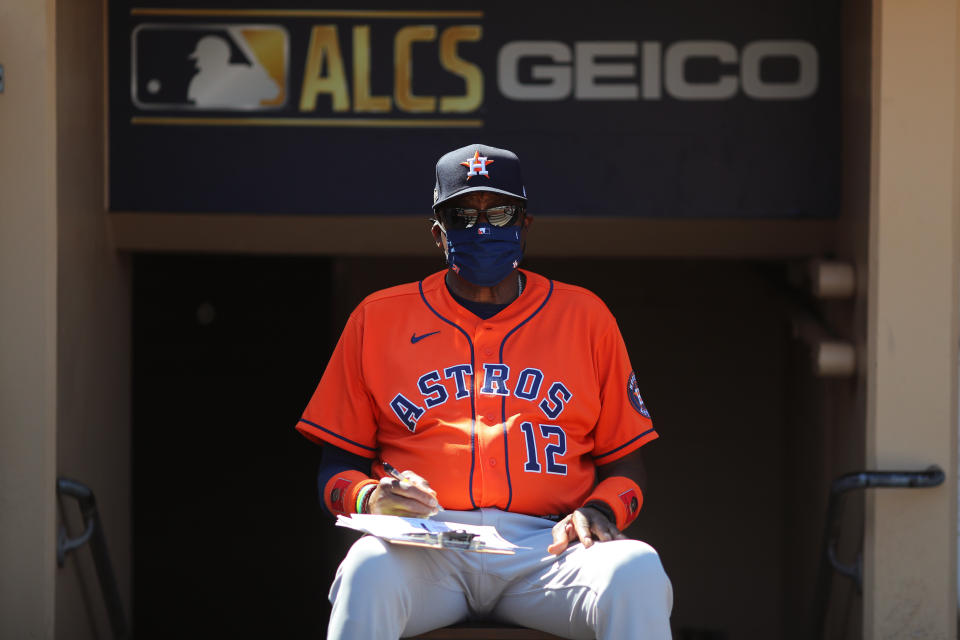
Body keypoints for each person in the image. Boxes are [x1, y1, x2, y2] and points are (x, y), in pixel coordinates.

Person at [295, 143, 673, 640]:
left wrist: (600, 511)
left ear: (525, 225)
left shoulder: (585, 317)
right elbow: (334, 469)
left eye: (499, 212)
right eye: (461, 214)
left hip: (549, 547)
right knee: (366, 569)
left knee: (636, 568)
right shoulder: (377, 317)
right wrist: (371, 498)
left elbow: (626, 463)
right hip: (424, 545)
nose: (481, 228)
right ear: (438, 234)